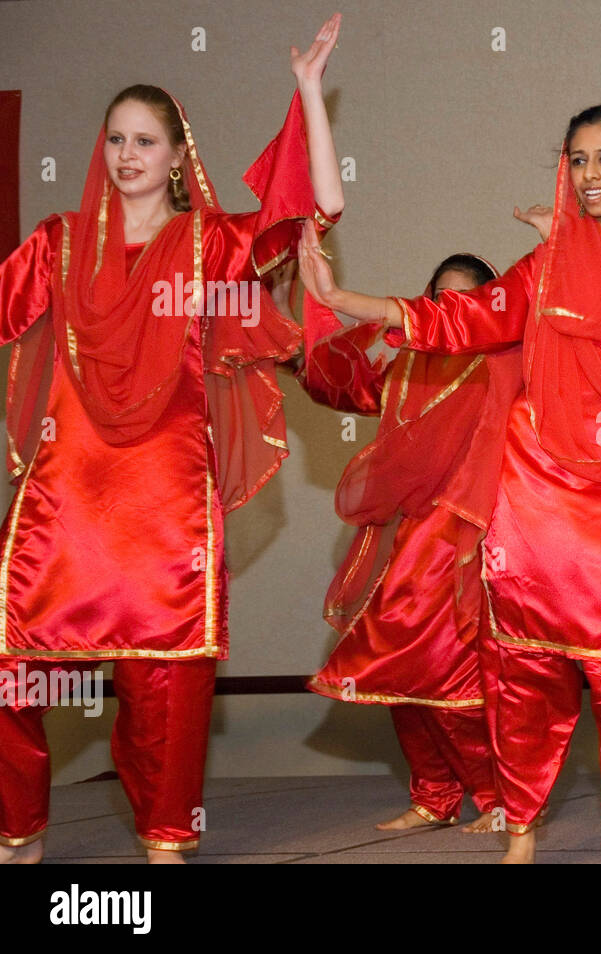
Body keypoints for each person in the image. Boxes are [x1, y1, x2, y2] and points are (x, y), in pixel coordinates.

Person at [298, 2, 601, 862]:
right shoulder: (549, 262)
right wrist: (352, 303)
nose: (590, 172)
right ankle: (521, 830)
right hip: (541, 504)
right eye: (577, 161)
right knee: (524, 672)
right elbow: (461, 318)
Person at [0, 14, 345, 864]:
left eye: (145, 141)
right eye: (115, 138)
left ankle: (165, 837)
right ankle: (18, 837)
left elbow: (321, 206)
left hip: (165, 497)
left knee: (168, 681)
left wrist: (308, 89)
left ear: (174, 156)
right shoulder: (58, 243)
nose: (127, 155)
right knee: (16, 674)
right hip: (67, 496)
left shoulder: (209, 246)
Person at [300, 253, 520, 834]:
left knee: (447, 670)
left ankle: (498, 799)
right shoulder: (408, 366)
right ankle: (434, 795)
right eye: (438, 298)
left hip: (469, 534)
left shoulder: (502, 364)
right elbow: (341, 386)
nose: (449, 311)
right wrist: (290, 332)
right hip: (409, 536)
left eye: (464, 302)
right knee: (395, 669)